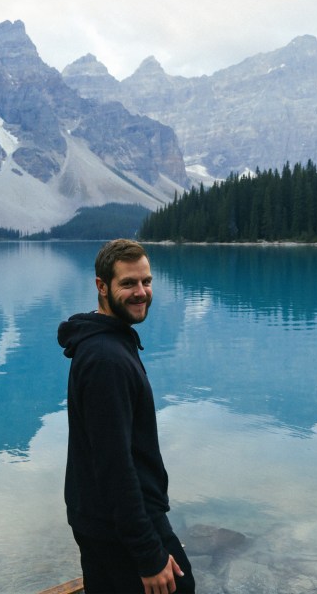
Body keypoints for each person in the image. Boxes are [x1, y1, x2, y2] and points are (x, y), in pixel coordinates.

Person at [58, 239, 195, 594]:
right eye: (128, 283)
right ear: (101, 286)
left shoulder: (107, 342)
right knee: (182, 586)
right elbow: (114, 463)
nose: (141, 292)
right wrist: (148, 554)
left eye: (146, 281)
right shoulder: (106, 359)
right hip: (119, 524)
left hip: (97, 517)